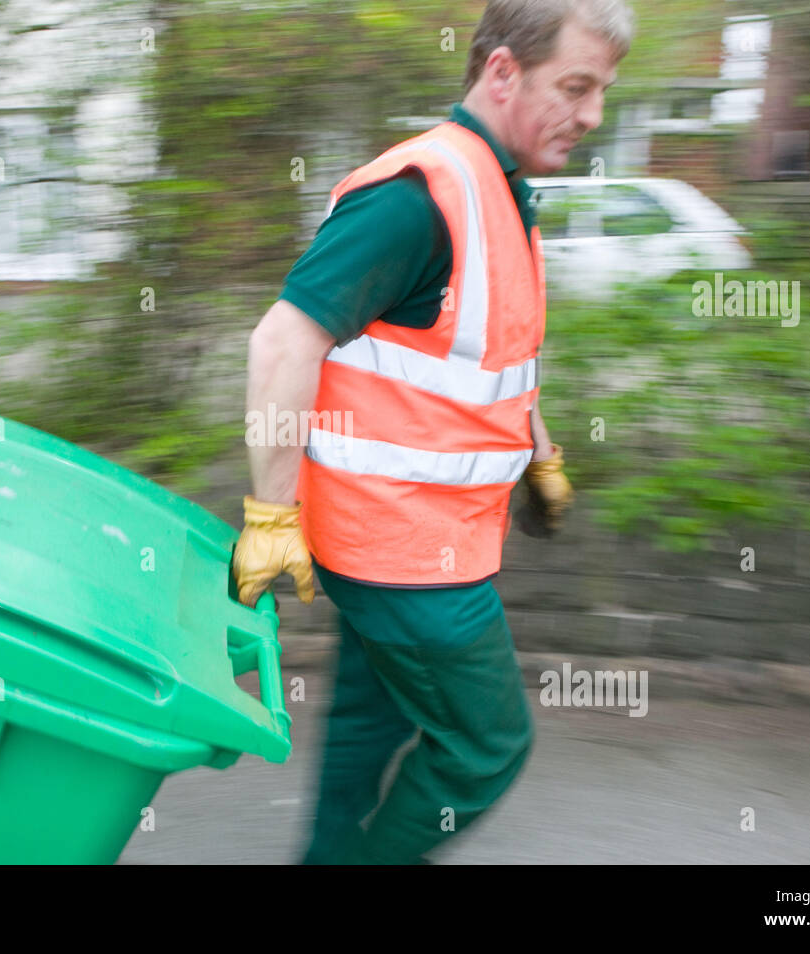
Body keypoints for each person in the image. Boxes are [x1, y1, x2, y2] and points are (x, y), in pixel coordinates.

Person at [233, 0, 633, 865]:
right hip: (408, 557)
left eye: (601, 91)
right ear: (500, 72)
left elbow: (490, 361)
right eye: (575, 86)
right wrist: (269, 517)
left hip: (401, 544)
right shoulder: (419, 197)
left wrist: (540, 454)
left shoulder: (501, 195)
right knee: (487, 748)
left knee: (364, 734)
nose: (593, 114)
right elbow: (283, 340)